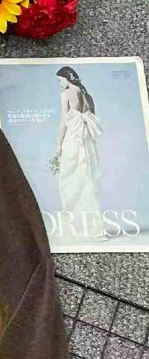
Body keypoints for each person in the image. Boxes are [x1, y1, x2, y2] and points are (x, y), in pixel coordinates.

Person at [53, 66, 105, 242]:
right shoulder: (87, 96)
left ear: (66, 78)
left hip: (73, 139)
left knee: (68, 181)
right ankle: (94, 228)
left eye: (60, 80)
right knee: (87, 180)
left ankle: (76, 228)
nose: (59, 83)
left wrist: (58, 145)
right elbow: (91, 119)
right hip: (87, 140)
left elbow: (63, 122)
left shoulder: (66, 95)